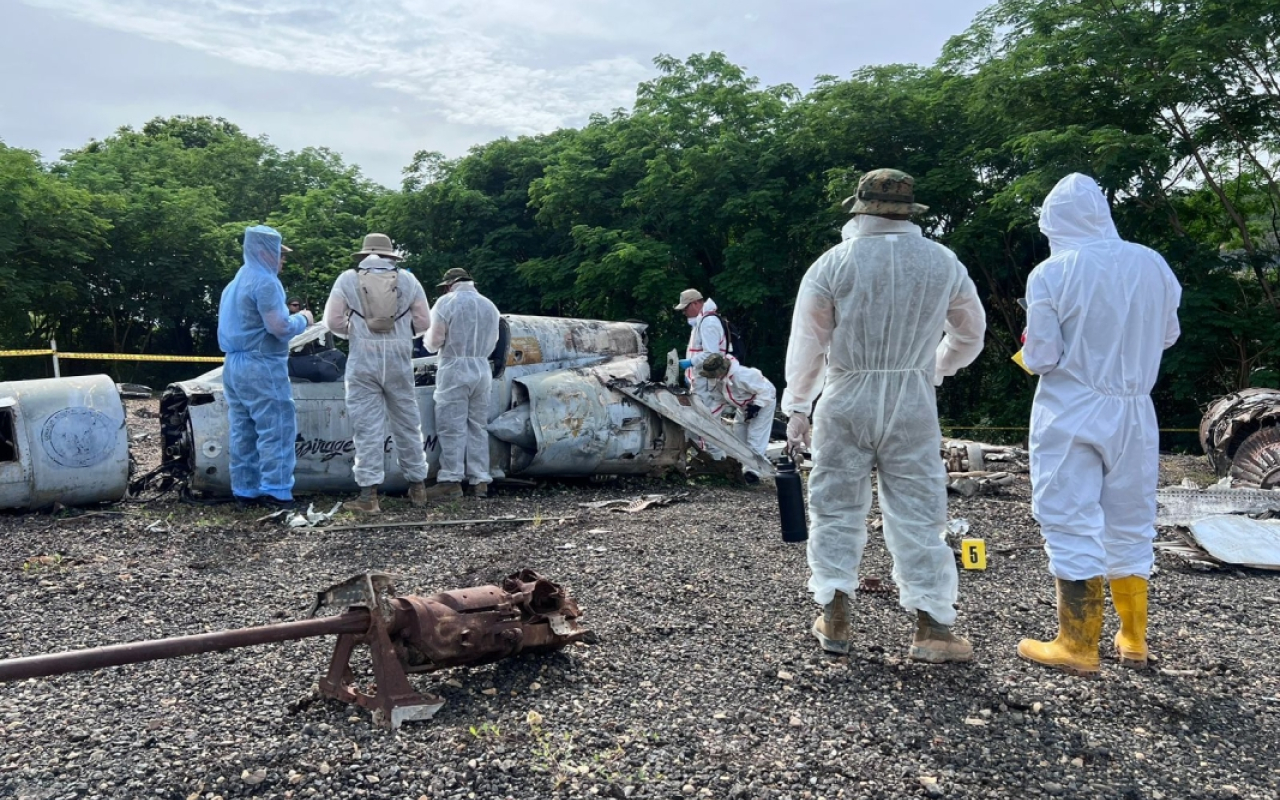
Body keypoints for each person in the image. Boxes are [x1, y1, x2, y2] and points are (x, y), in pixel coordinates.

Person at [783, 168, 986, 662]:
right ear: (908, 212)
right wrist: (934, 368)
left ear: (861, 209)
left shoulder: (833, 264)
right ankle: (933, 629)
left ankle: (835, 617)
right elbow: (970, 334)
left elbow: (808, 346)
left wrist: (797, 407)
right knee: (919, 512)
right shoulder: (942, 262)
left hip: (846, 392)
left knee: (835, 507)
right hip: (912, 401)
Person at [1017, 174, 1181, 676]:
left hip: (1071, 407)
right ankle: (1133, 639)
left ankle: (1077, 643)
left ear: (1055, 222)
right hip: (1135, 407)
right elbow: (1169, 334)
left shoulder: (1051, 272)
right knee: (1131, 519)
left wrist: (1026, 350)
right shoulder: (1153, 263)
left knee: (1068, 515)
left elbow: (1043, 357)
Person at [322, 233, 433, 514]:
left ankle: (368, 496)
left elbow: (333, 320)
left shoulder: (348, 279)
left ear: (363, 255)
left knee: (366, 427)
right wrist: (401, 333)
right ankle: (418, 487)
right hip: (398, 359)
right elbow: (424, 322)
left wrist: (357, 332)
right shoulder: (408, 280)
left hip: (363, 360)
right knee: (408, 422)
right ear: (391, 256)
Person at [217, 225, 312, 509]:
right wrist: (304, 319)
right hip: (262, 364)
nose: (283, 261)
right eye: (280, 254)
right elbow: (279, 327)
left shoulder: (235, 283)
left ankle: (245, 491)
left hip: (233, 365)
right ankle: (277, 491)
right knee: (277, 427)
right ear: (264, 252)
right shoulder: (266, 282)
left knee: (242, 428)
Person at [422, 267, 501, 499]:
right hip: (481, 368)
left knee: (451, 426)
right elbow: (495, 340)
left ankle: (451, 480)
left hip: (454, 367)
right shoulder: (490, 306)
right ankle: (479, 481)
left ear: (449, 285)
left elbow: (434, 342)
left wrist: (427, 341)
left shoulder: (446, 303)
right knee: (477, 426)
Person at [697, 353, 776, 484]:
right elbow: (718, 400)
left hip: (763, 403)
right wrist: (709, 418)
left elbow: (767, 390)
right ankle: (746, 466)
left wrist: (757, 406)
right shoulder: (719, 381)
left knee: (755, 436)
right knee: (739, 435)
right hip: (744, 406)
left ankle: (753, 473)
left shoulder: (743, 375)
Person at [674, 288, 732, 459]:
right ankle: (706, 459)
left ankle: (718, 461)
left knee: (706, 421)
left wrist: (690, 362)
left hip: (708, 382)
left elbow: (711, 354)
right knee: (700, 421)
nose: (684, 312)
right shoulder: (702, 321)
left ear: (696, 303)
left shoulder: (708, 322)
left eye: (686, 307)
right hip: (701, 380)